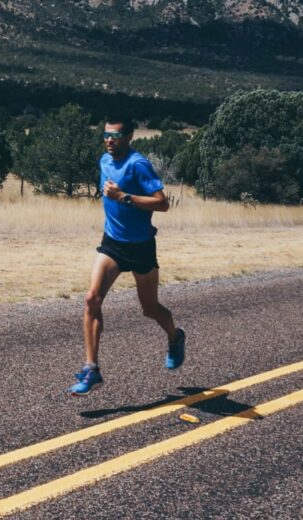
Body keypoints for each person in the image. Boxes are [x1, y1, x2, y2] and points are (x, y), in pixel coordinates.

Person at [68, 118, 187, 396]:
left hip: (141, 246)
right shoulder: (104, 161)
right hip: (113, 244)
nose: (110, 140)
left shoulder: (138, 164)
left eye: (116, 135)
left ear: (130, 136)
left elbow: (162, 203)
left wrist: (124, 197)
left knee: (150, 308)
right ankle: (91, 369)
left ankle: (175, 337)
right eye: (106, 135)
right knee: (92, 299)